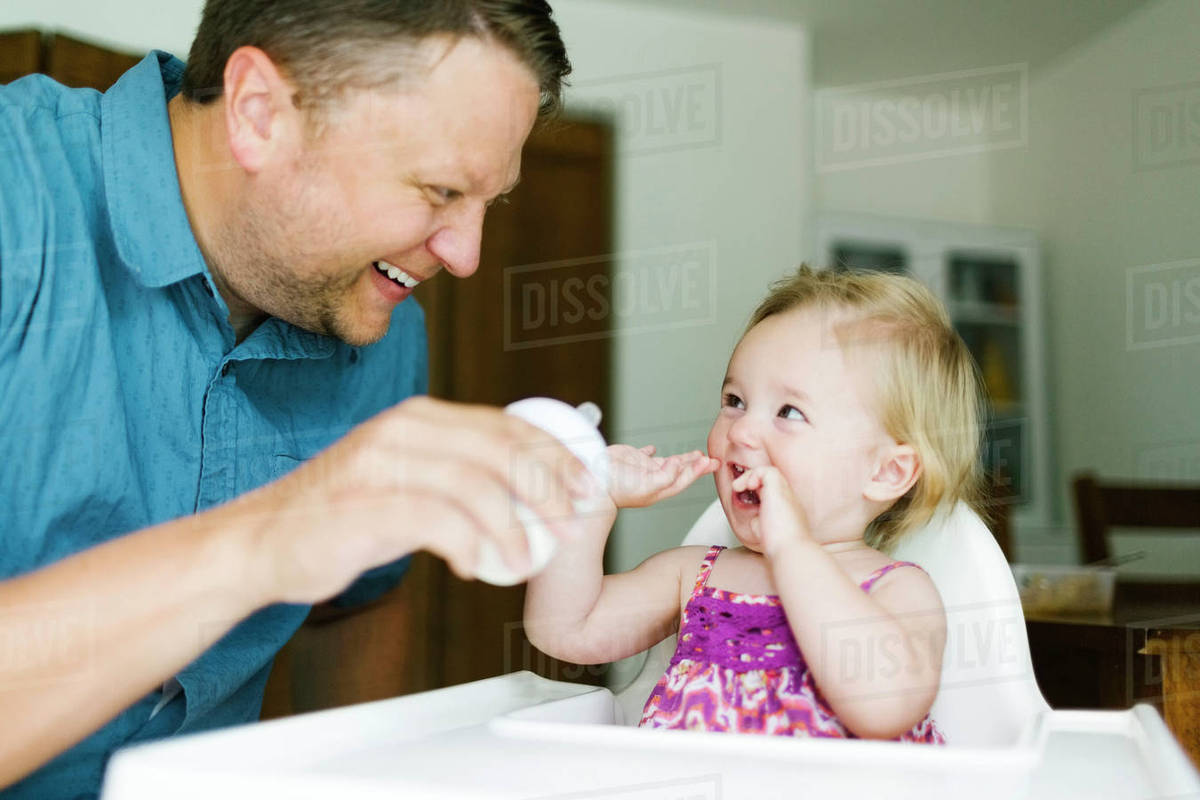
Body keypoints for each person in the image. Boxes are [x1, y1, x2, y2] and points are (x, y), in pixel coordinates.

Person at [0, 1, 590, 796]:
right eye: (440, 188)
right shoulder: (16, 201)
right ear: (258, 112)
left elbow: (359, 604)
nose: (467, 254)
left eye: (492, 201)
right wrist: (269, 538)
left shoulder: (374, 313)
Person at [525, 265, 987, 741]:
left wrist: (793, 548)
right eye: (734, 400)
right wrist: (591, 500)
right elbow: (564, 631)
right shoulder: (692, 576)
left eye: (789, 412)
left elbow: (883, 710)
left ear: (886, 472)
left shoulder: (898, 591)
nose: (740, 431)